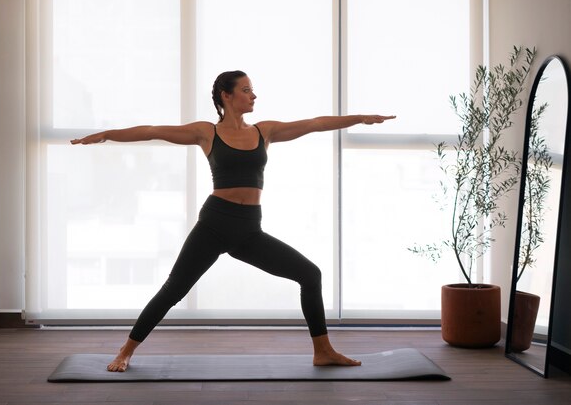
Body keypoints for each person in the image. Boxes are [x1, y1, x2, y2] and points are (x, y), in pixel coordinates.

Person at [71, 70, 396, 372]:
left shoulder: (264, 131)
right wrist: (107, 135)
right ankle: (125, 351)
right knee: (174, 289)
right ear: (226, 96)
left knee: (310, 275)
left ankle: (323, 351)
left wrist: (359, 118)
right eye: (246, 90)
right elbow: (154, 131)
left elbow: (313, 123)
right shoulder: (206, 132)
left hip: (248, 230)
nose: (253, 96)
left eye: (252, 90)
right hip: (214, 224)